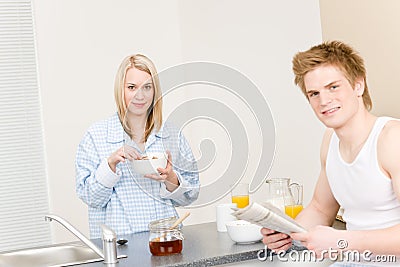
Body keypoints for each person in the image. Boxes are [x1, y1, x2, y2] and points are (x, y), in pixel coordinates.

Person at [261, 41, 400, 264]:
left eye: (333, 87)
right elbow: (320, 208)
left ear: (358, 86)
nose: (323, 101)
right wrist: (287, 231)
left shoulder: (391, 139)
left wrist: (343, 241)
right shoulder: (330, 140)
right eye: (314, 93)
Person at [76, 54, 200, 238]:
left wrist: (171, 178)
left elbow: (190, 195)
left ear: (155, 91)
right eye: (132, 87)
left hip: (166, 241)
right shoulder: (96, 136)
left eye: (147, 87)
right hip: (120, 247)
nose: (140, 96)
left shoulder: (172, 135)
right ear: (121, 90)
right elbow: (90, 198)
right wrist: (110, 165)